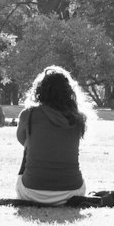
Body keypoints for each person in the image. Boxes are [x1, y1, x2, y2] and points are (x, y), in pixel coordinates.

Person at [15, 65, 91, 205]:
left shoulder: (29, 114)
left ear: (40, 90)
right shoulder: (78, 118)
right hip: (72, 192)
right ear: (69, 92)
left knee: (29, 146)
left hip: (33, 192)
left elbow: (22, 140)